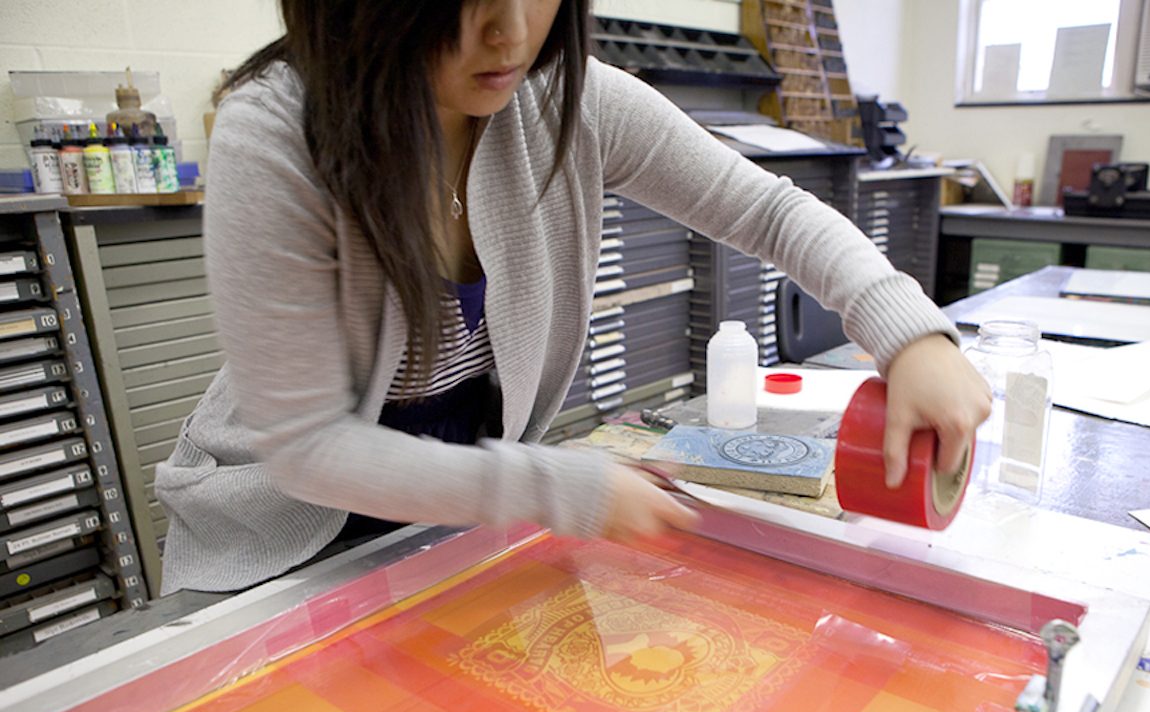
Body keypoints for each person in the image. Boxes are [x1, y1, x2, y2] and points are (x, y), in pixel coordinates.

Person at [156, 0, 991, 594]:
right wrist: (560, 487)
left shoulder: (566, 100)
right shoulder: (275, 135)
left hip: (451, 513)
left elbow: (765, 206)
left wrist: (911, 336)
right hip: (280, 540)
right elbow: (308, 449)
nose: (511, 30)